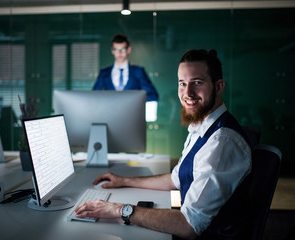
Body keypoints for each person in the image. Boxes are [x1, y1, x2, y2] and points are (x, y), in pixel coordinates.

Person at [76, 49, 252, 239]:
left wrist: (120, 210)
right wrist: (124, 181)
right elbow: (175, 179)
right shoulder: (201, 127)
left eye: (197, 83)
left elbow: (189, 225)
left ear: (219, 86)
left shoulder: (221, 141)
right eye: (182, 83)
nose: (187, 93)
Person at [92, 34, 158, 102]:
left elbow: (152, 95)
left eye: (122, 49)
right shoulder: (104, 73)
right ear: (112, 51)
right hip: (110, 111)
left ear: (128, 50)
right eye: (116, 49)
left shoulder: (138, 71)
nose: (120, 53)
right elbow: (94, 96)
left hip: (133, 111)